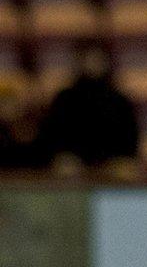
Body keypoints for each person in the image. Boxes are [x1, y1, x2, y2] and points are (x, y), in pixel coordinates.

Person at [37, 44, 139, 178]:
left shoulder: (119, 100)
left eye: (97, 60)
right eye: (88, 59)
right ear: (79, 62)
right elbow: (52, 133)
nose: (93, 64)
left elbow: (130, 136)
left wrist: (122, 159)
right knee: (65, 167)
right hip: (73, 159)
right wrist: (64, 155)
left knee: (125, 170)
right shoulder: (65, 98)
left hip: (112, 160)